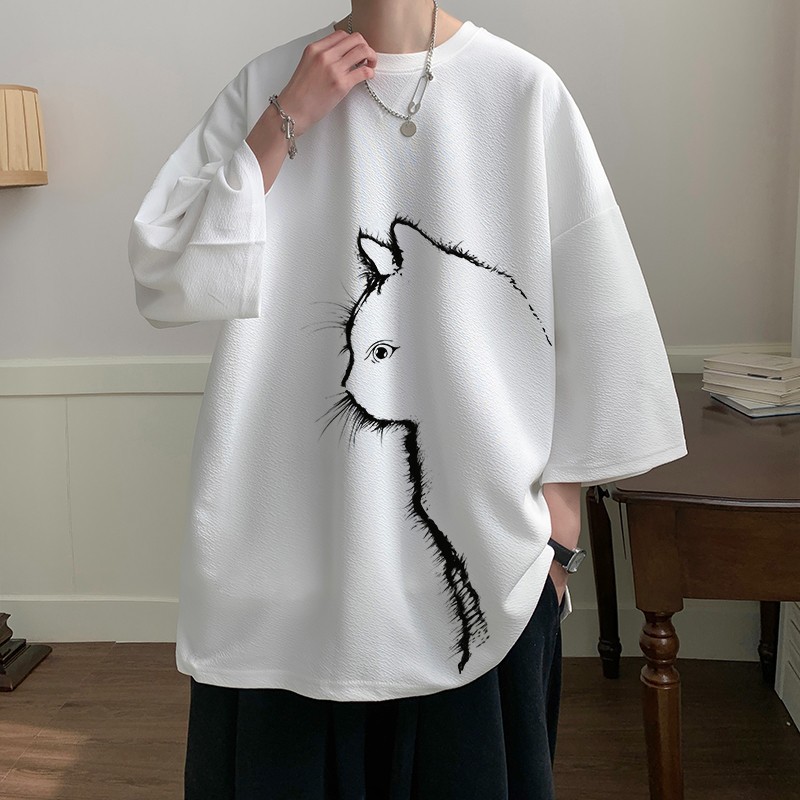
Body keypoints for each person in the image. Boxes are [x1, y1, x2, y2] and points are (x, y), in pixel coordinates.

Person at [127, 2, 688, 797]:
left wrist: (559, 536)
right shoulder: (270, 83)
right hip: (284, 573)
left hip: (485, 571)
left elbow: (602, 316)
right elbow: (166, 272)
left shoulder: (522, 91)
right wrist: (287, 119)